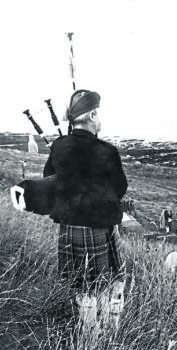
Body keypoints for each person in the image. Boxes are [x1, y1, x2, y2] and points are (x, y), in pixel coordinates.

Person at [43, 89, 127, 331]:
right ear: (91, 116)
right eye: (97, 114)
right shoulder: (107, 150)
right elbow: (119, 188)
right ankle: (110, 332)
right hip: (100, 226)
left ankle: (89, 334)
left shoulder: (59, 147)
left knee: (82, 287)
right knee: (111, 282)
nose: (99, 119)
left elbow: (50, 180)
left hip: (70, 228)